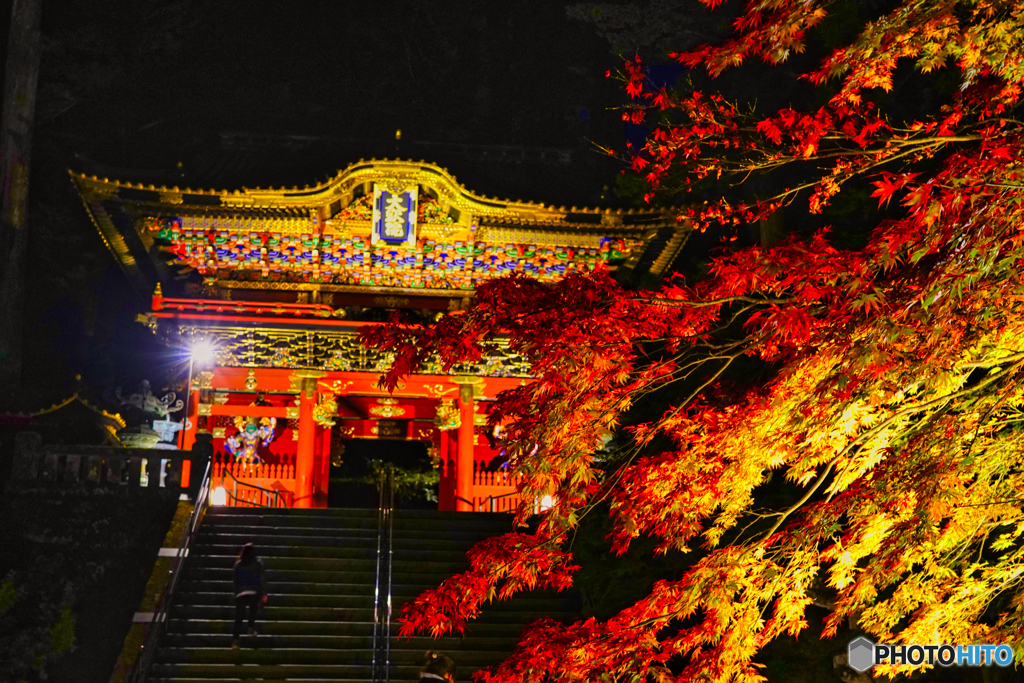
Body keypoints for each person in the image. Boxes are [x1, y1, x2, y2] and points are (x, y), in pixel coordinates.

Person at [232, 543, 267, 649]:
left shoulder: (238, 564)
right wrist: (264, 593)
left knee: (239, 617)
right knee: (253, 608)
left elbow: (235, 581)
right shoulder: (257, 563)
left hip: (241, 593)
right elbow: (262, 579)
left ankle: (235, 640)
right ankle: (250, 627)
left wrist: (236, 592)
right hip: (253, 591)